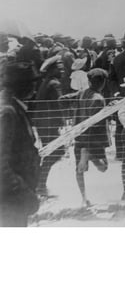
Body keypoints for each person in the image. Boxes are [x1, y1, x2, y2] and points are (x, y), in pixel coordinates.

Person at [60, 68, 110, 207]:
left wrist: (70, 111)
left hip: (79, 137)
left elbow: (63, 99)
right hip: (94, 139)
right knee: (104, 167)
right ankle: (90, 155)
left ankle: (84, 198)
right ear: (103, 83)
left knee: (79, 170)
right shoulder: (98, 99)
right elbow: (95, 125)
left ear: (89, 82)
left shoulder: (81, 93)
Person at [0, 60, 41, 226]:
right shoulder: (8, 112)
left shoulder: (13, 107)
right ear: (21, 86)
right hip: (10, 200)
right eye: (32, 83)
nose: (35, 88)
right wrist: (23, 192)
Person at [32, 55, 65, 196]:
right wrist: (62, 122)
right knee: (56, 152)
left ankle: (39, 184)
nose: (62, 70)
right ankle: (39, 184)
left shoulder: (46, 82)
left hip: (43, 123)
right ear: (52, 69)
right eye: (59, 68)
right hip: (49, 124)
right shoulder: (54, 84)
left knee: (50, 152)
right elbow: (59, 104)